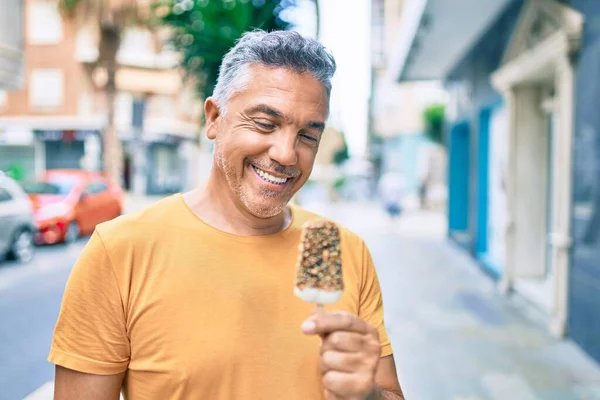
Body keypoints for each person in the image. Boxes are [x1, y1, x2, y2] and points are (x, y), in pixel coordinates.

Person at [49, 30, 404, 400]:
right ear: (214, 118)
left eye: (307, 136)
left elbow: (390, 394)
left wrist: (367, 396)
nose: (286, 153)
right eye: (265, 124)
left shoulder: (349, 252)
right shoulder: (119, 251)